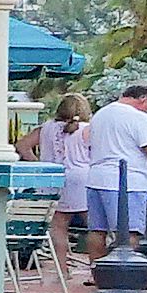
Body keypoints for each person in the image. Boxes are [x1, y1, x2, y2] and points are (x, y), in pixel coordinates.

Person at [82, 79, 147, 258]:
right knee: (129, 234)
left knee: (97, 231)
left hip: (96, 178)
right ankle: (124, 268)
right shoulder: (138, 117)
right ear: (143, 99)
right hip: (128, 183)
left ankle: (97, 268)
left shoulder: (101, 114)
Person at [35, 100, 91, 275]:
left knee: (58, 226)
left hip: (51, 177)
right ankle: (97, 269)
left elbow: (22, 146)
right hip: (81, 179)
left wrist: (40, 163)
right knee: (93, 226)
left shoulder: (46, 128)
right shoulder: (87, 129)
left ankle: (62, 270)